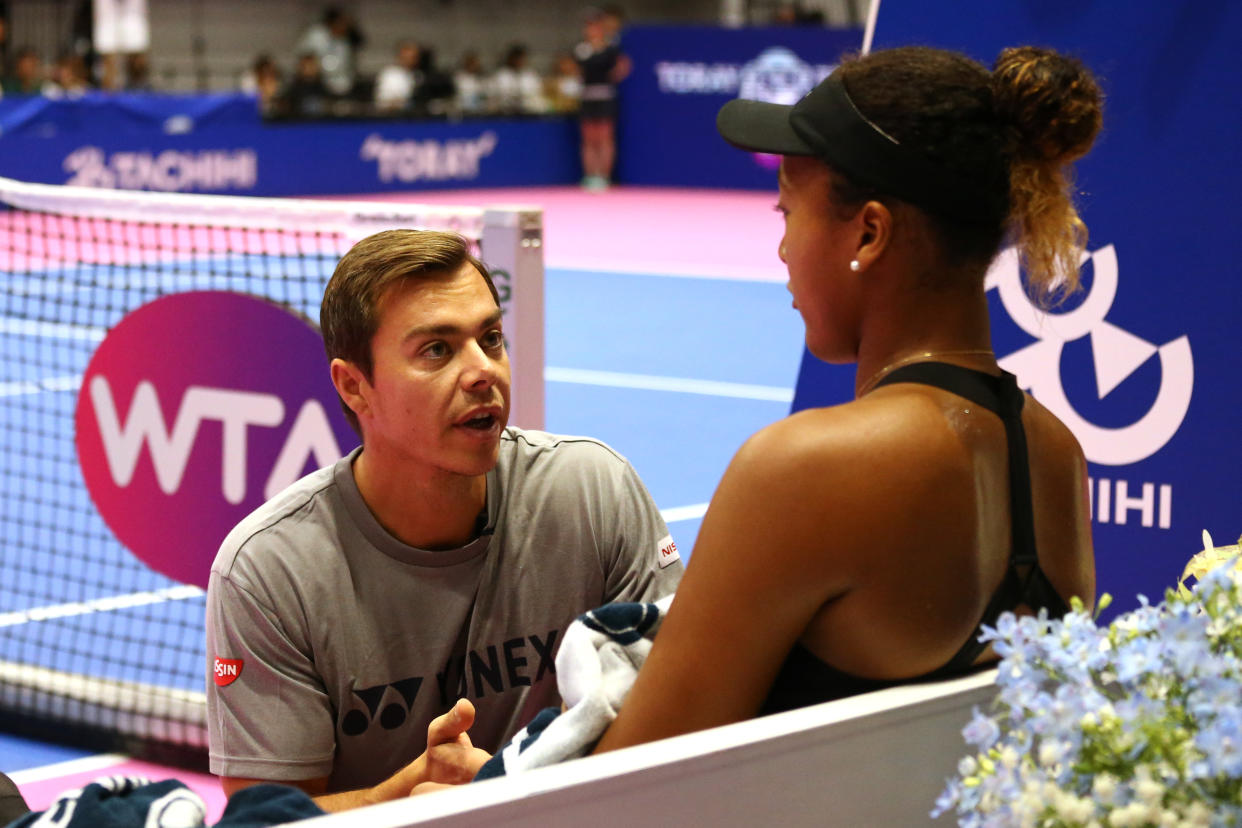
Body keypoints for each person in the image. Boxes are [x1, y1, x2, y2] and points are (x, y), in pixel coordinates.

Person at [586, 44, 1100, 753]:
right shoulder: (1055, 456)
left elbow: (622, 785)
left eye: (787, 211)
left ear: (868, 232)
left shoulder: (804, 467)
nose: (783, 250)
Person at [206, 230, 682, 811]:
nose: (485, 372)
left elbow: (681, 727)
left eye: (492, 338)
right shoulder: (268, 572)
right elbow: (266, 820)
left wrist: (511, 787)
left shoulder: (594, 493)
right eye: (437, 349)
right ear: (354, 386)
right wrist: (410, 795)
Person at [573, 11, 630, 191]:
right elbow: (575, 69)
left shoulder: (611, 49)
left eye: (595, 27)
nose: (592, 30)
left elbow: (624, 65)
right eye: (589, 27)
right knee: (589, 139)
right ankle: (590, 176)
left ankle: (604, 176)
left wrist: (611, 78)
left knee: (605, 137)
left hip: (605, 95)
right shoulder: (581, 50)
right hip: (587, 96)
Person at [297, 5, 364, 98]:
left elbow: (362, 41)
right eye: (341, 22)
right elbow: (305, 59)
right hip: (319, 84)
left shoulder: (347, 38)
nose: (344, 25)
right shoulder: (317, 35)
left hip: (345, 85)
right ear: (333, 22)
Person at [374, 40, 421, 113]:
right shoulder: (389, 75)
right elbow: (383, 102)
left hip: (415, 117)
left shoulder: (419, 75)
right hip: (392, 117)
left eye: (414, 57)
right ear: (400, 57)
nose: (411, 60)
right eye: (407, 57)